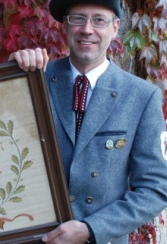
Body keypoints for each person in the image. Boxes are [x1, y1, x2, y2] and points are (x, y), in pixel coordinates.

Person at [9, 0, 167, 243]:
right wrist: (9, 78)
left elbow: (155, 189)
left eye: (99, 20)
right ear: (64, 25)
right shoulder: (33, 81)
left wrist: (91, 229)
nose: (87, 29)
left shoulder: (142, 97)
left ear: (115, 28)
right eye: (78, 18)